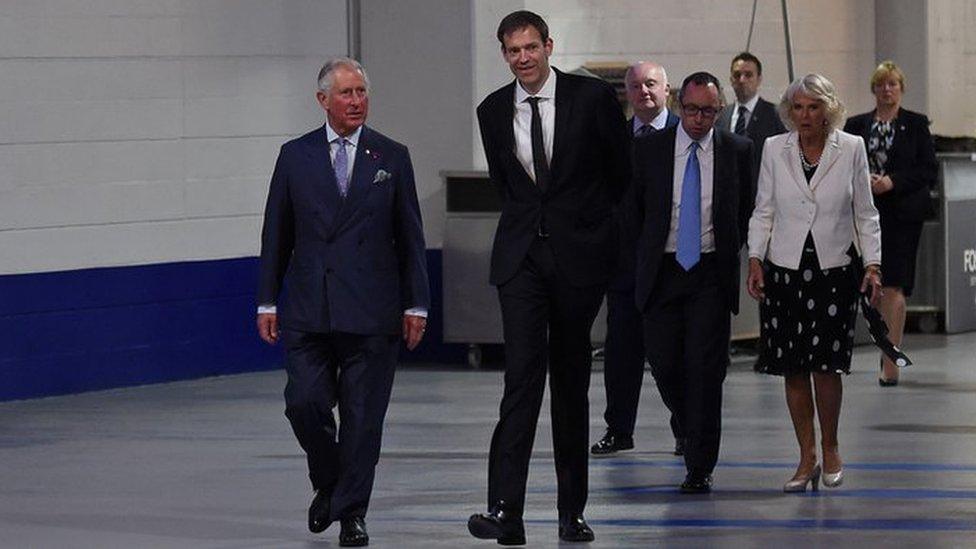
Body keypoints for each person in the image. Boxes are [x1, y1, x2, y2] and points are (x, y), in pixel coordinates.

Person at [467, 10, 630, 545]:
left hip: (579, 260)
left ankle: (571, 511)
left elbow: (618, 176)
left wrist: (596, 238)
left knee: (570, 382)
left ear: (548, 46)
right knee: (520, 379)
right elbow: (505, 182)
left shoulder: (591, 99)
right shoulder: (492, 110)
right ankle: (504, 510)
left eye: (531, 48)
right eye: (513, 51)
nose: (523, 58)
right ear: (504, 54)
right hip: (520, 262)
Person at [256, 57, 430, 546]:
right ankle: (329, 481)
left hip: (373, 310)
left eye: (361, 93)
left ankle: (352, 512)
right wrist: (266, 300)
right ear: (323, 100)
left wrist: (417, 304)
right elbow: (277, 233)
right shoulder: (295, 156)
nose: (356, 102)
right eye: (347, 94)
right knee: (304, 404)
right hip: (310, 307)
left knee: (362, 418)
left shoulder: (391, 157)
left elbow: (410, 235)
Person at [747, 74, 882, 493]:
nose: (805, 115)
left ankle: (832, 445)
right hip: (783, 268)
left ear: (828, 110)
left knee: (826, 365)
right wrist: (755, 257)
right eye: (799, 107)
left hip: (834, 269)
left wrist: (873, 265)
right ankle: (806, 456)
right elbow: (763, 208)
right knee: (792, 365)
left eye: (814, 107)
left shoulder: (852, 148)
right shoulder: (774, 148)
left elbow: (865, 211)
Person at [629, 72, 754, 493]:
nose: (700, 119)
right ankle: (685, 424)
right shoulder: (649, 149)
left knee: (705, 371)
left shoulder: (737, 150)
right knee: (664, 365)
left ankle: (700, 465)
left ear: (720, 111)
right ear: (680, 105)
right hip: (662, 271)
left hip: (709, 272)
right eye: (693, 109)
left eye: (710, 111)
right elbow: (634, 210)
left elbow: (745, 209)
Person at [593, 61, 683, 458]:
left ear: (667, 90)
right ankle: (619, 429)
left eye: (651, 84)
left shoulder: (687, 134)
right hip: (625, 265)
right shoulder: (615, 140)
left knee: (670, 356)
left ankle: (685, 428)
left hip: (672, 265)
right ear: (626, 94)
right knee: (621, 351)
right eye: (635, 86)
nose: (644, 91)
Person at [843, 61, 938, 386]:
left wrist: (892, 182)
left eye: (892, 84)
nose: (887, 90)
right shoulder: (856, 125)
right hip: (865, 212)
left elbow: (927, 169)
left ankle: (890, 357)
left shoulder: (915, 124)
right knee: (870, 281)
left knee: (895, 284)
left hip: (901, 214)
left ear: (901, 88)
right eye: (881, 84)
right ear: (873, 89)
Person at [716, 52, 787, 171]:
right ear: (731, 80)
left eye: (748, 75)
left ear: (759, 79)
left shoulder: (775, 115)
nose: (742, 80)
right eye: (737, 75)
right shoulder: (721, 116)